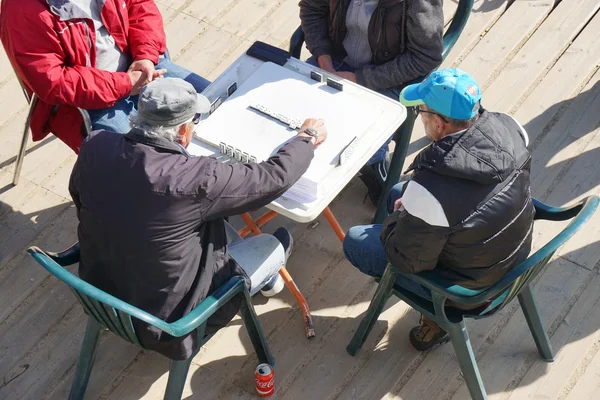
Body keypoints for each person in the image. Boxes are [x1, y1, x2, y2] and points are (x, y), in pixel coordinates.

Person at [68, 77, 328, 360]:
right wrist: (306, 138)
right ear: (183, 131)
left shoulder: (96, 145)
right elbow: (273, 178)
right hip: (171, 327)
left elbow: (79, 198)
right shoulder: (196, 179)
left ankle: (263, 280)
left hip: (102, 298)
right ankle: (264, 278)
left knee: (201, 224)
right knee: (270, 245)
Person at [343, 68, 534, 351]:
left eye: (421, 111)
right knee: (398, 192)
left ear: (438, 124)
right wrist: (413, 208)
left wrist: (400, 218)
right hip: (513, 254)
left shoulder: (430, 190)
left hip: (468, 291)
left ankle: (436, 318)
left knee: (356, 241)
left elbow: (407, 261)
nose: (419, 117)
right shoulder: (511, 127)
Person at [0, 0, 209, 153]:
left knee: (213, 101)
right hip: (83, 102)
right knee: (142, 159)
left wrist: (145, 56)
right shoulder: (21, 11)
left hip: (142, 67)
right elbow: (53, 81)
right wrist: (125, 84)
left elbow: (141, 6)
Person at [299, 0, 444, 203]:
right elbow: (312, 9)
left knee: (363, 147)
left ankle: (377, 170)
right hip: (334, 62)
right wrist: (324, 57)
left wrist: (360, 78)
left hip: (388, 79)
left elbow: (425, 56)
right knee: (294, 116)